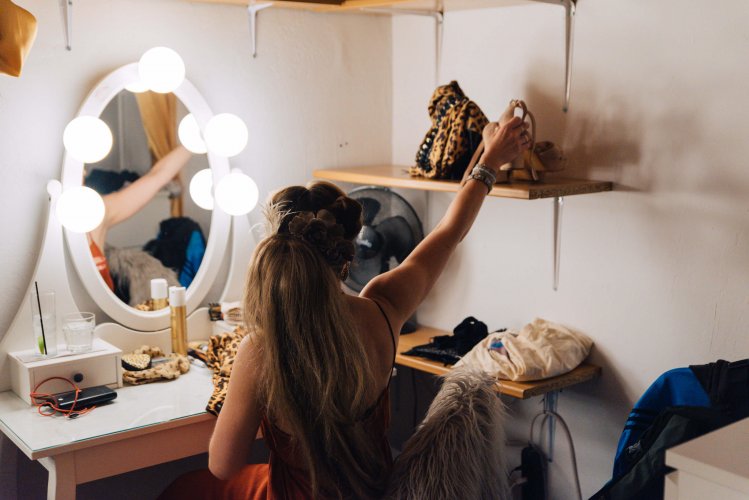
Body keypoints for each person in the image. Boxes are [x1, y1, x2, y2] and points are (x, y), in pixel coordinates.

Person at [159, 115, 530, 499]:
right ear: (346, 256)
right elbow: (449, 233)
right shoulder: (383, 308)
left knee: (183, 489)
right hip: (374, 493)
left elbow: (223, 464)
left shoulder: (259, 352)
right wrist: (490, 160)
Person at [87, 145, 193, 291]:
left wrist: (193, 140)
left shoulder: (95, 213)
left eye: (82, 167)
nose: (82, 172)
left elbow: (157, 176)